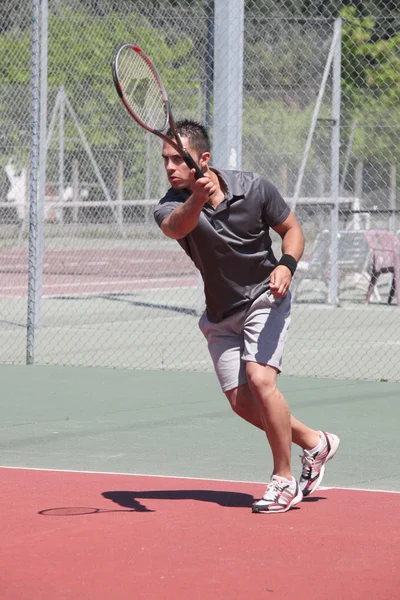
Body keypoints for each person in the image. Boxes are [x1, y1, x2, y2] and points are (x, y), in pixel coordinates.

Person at [153, 119, 340, 514]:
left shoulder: (254, 187)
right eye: (165, 159)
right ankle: (315, 443)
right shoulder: (172, 203)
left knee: (259, 379)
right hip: (220, 312)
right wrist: (197, 200)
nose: (169, 167)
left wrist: (287, 264)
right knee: (241, 402)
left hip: (265, 295)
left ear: (202, 159)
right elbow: (176, 228)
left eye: (177, 158)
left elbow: (292, 230)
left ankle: (283, 480)